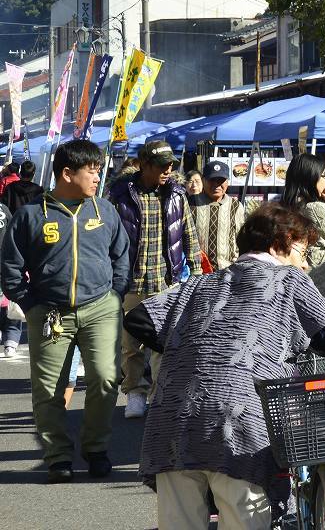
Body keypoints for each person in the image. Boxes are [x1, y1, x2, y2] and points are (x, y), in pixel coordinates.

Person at [123, 204, 325, 529]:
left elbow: (138, 318)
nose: (305, 263)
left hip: (172, 421)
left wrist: (196, 345)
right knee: (242, 519)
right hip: (238, 422)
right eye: (303, 252)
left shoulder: (201, 284)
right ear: (285, 241)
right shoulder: (288, 280)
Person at [0, 140, 130, 483]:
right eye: (92, 169)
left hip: (101, 308)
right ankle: (58, 456)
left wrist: (115, 295)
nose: (97, 176)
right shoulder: (31, 215)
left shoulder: (104, 210)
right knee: (49, 390)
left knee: (105, 377)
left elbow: (121, 257)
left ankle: (96, 448)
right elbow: (10, 267)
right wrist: (30, 304)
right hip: (49, 313)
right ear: (67, 173)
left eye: (99, 169)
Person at [108, 140, 202, 420]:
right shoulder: (121, 194)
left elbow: (189, 234)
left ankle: (161, 396)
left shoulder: (176, 194)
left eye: (171, 166)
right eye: (161, 166)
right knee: (131, 343)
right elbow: (109, 237)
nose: (167, 170)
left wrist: (196, 273)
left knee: (166, 343)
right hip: (131, 281)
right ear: (144, 165)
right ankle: (135, 392)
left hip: (167, 279)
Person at [282, 153, 325, 305]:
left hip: (298, 282)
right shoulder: (314, 208)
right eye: (324, 176)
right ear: (311, 177)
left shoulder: (287, 205)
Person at [188, 160, 245, 271]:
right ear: (203, 180)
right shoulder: (190, 203)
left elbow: (241, 240)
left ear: (227, 182)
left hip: (228, 273)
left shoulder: (236, 206)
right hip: (198, 273)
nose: (216, 184)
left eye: (221, 180)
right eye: (212, 180)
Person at [0, 201, 19, 357]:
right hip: (6, 261)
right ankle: (10, 344)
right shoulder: (4, 208)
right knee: (10, 304)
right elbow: (13, 233)